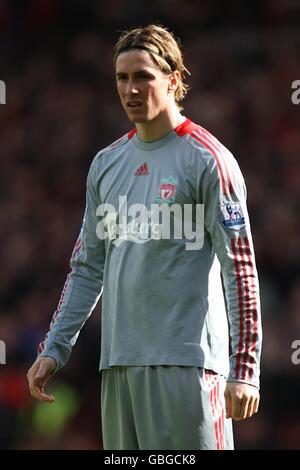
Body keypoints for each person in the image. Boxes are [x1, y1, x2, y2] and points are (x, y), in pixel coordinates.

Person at [27, 24, 262, 450]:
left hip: (188, 366)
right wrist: (55, 347)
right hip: (119, 365)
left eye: (143, 76)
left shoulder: (208, 160)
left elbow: (240, 268)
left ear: (173, 80)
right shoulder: (106, 164)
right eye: (122, 77)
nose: (130, 89)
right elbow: (87, 267)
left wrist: (244, 369)